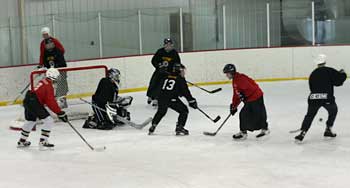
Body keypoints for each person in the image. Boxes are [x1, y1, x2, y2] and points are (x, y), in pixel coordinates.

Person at [295, 54, 347, 142]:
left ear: (317, 64)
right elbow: (338, 81)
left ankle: (303, 132)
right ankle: (328, 129)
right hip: (327, 98)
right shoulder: (329, 70)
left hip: (313, 98)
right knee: (333, 111)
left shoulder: (313, 73)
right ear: (325, 62)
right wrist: (343, 73)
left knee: (310, 115)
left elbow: (311, 87)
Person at [17, 68, 68, 149]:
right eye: (57, 77)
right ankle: (43, 141)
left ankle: (22, 141)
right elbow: (50, 101)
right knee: (49, 120)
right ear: (54, 77)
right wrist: (59, 112)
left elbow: (44, 98)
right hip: (34, 102)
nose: (58, 79)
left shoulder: (42, 81)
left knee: (30, 121)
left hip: (27, 100)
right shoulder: (48, 85)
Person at [148, 63, 198, 136]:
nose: (183, 72)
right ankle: (180, 128)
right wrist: (191, 100)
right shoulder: (180, 79)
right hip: (172, 99)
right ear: (179, 70)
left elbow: (163, 86)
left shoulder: (166, 76)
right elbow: (185, 92)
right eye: (182, 71)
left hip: (161, 98)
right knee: (184, 111)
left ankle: (153, 126)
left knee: (161, 112)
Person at [223, 64, 270, 140]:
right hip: (250, 99)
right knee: (243, 114)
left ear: (231, 72)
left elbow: (252, 87)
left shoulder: (240, 79)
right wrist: (233, 106)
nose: (226, 75)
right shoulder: (235, 80)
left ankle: (265, 129)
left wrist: (244, 95)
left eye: (227, 73)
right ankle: (243, 132)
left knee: (259, 114)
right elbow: (237, 94)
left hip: (256, 97)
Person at [146, 38, 181, 107]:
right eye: (167, 44)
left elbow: (177, 63)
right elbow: (153, 61)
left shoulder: (174, 53)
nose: (168, 46)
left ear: (172, 45)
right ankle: (150, 96)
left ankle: (157, 98)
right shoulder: (160, 51)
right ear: (164, 45)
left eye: (170, 44)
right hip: (159, 71)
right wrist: (158, 66)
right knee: (153, 82)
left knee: (162, 85)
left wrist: (175, 71)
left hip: (169, 73)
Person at [41, 38, 69, 108]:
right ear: (46, 45)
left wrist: (56, 67)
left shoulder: (58, 51)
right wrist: (45, 67)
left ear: (53, 44)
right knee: (47, 85)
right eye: (48, 44)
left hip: (60, 72)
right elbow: (45, 63)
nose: (49, 45)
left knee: (62, 84)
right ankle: (49, 100)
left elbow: (63, 63)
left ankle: (62, 100)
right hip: (51, 72)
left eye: (51, 43)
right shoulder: (45, 53)